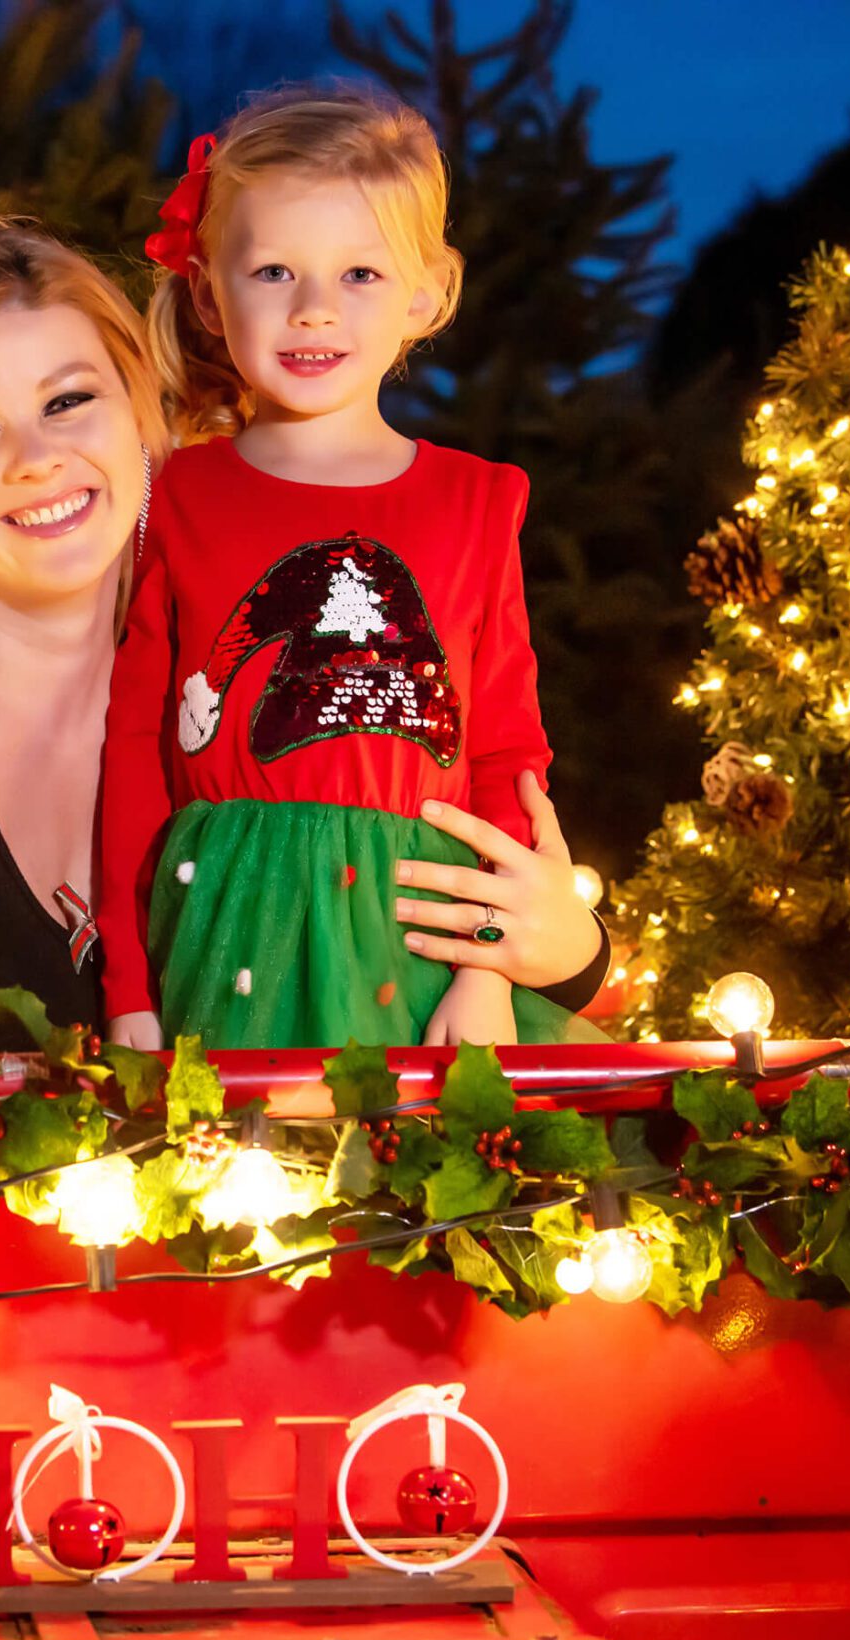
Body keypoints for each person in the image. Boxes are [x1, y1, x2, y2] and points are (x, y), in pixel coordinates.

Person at [0, 216, 610, 1061]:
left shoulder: (214, 669)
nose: (36, 458)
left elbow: (371, 940)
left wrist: (568, 952)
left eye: (69, 401)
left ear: (143, 419)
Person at [100, 88, 603, 1053]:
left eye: (360, 272)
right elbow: (130, 759)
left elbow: (504, 756)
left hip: (416, 934)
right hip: (224, 928)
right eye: (275, 270)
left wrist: (486, 969)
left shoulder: (475, 502)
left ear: (427, 294)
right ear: (210, 292)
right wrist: (129, 989)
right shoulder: (175, 497)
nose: (314, 308)